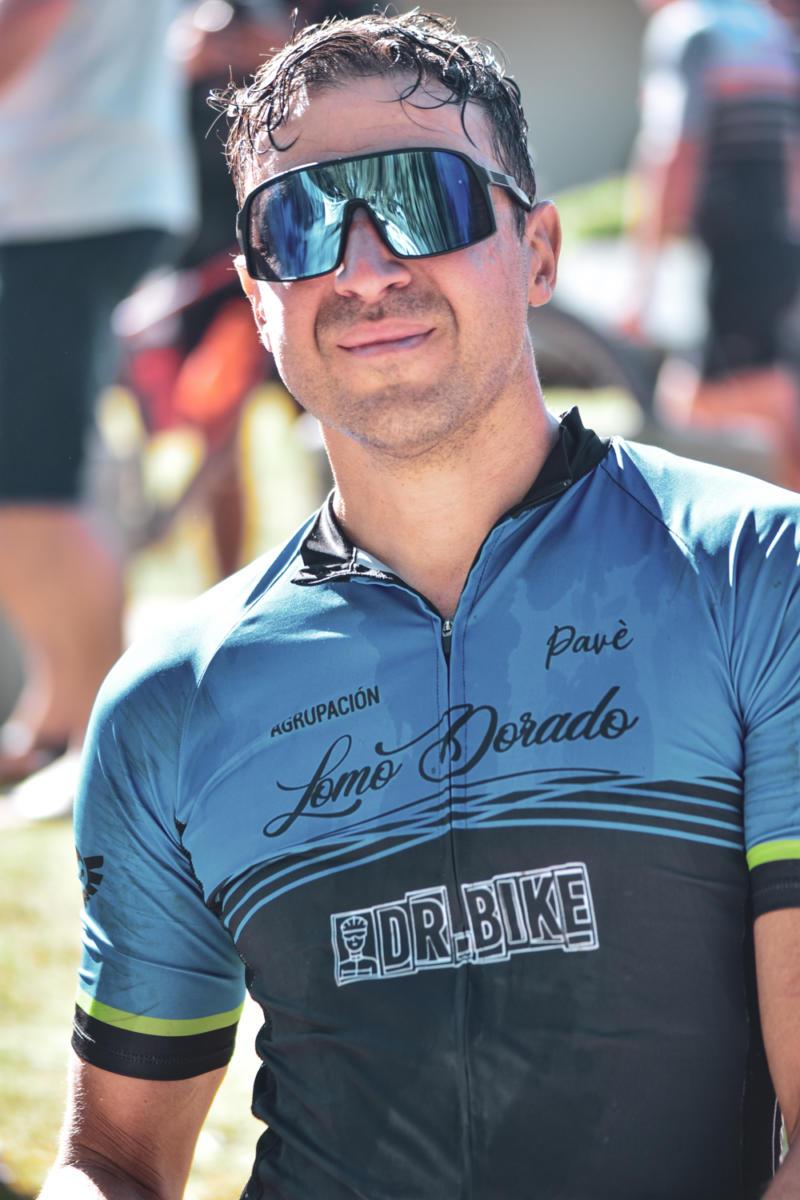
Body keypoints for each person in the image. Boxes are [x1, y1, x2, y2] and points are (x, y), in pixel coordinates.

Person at [40, 10, 800, 1199]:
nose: (364, 268)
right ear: (255, 298)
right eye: (298, 222)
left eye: (422, 199)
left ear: (537, 250)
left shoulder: (756, 574)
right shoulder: (170, 699)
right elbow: (112, 1158)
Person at [0, 0, 196, 814]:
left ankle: (98, 741)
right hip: (79, 197)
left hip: (65, 206)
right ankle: (60, 714)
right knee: (39, 481)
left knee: (27, 490)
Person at [624, 0, 800, 489]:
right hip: (775, 253)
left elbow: (672, 153)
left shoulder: (687, 29)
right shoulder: (767, 30)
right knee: (756, 398)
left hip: (732, 258)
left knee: (693, 404)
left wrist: (642, 287)